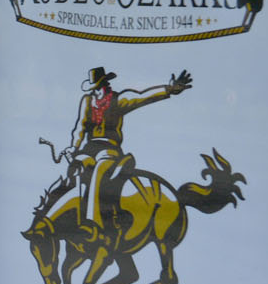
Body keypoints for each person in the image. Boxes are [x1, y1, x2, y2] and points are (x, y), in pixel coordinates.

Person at [66, 67, 192, 244]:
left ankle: (93, 222)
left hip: (109, 149)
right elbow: (80, 127)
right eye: (95, 88)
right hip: (89, 149)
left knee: (100, 171)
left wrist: (169, 89)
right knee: (76, 169)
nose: (97, 91)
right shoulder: (87, 101)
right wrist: (73, 148)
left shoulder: (118, 99)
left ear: (105, 84)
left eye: (99, 87)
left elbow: (141, 97)